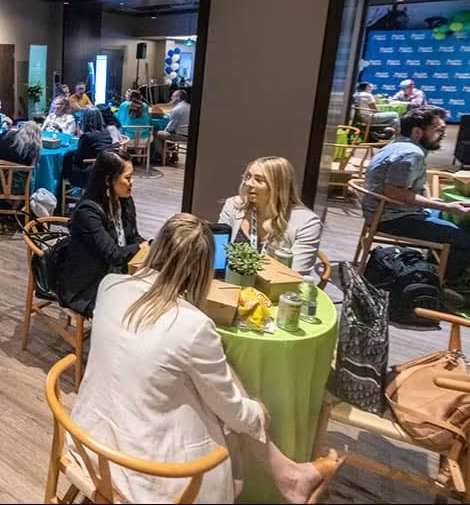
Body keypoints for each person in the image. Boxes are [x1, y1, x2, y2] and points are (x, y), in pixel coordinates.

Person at [68, 213, 340, 503]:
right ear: (204, 270)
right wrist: (259, 412)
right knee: (234, 422)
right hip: (144, 471)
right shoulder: (193, 326)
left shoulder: (110, 285)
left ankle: (289, 474)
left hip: (87, 437)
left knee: (216, 384)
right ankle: (288, 475)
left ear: (157, 246)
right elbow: (235, 414)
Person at [363, 106, 470, 286]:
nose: (443, 135)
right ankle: (444, 283)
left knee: (453, 222)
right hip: (392, 219)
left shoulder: (398, 144)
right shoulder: (411, 153)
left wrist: (431, 202)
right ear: (417, 132)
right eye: (439, 130)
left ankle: (435, 267)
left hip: (389, 212)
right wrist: (444, 206)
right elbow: (394, 192)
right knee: (464, 237)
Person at [57, 150, 145, 318]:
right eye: (127, 178)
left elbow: (132, 236)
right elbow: (113, 255)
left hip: (115, 275)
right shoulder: (88, 212)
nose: (131, 183)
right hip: (88, 285)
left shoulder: (125, 200)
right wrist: (142, 247)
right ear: (108, 180)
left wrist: (149, 247)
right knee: (136, 313)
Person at [218, 156, 322, 274]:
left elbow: (297, 276)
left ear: (278, 187)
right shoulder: (233, 205)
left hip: (276, 289)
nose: (248, 183)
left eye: (258, 180)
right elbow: (218, 255)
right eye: (248, 176)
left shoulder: (307, 223)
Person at [68, 108, 116, 188]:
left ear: (85, 120)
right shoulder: (106, 133)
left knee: (66, 161)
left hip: (90, 174)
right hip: (107, 170)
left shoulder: (87, 136)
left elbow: (78, 159)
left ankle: (60, 194)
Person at [154, 89, 190, 166]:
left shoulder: (177, 109)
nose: (171, 98)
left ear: (177, 97)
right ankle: (173, 154)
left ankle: (163, 156)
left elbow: (170, 128)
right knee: (166, 134)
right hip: (189, 134)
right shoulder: (189, 107)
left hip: (181, 136)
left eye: (172, 96)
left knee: (156, 133)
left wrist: (165, 130)